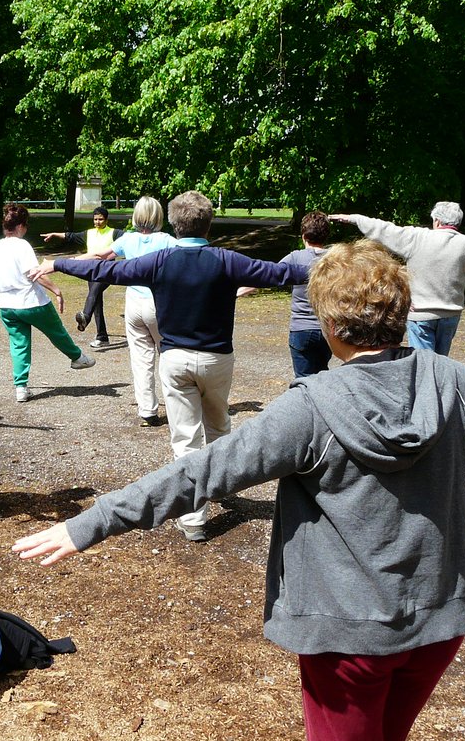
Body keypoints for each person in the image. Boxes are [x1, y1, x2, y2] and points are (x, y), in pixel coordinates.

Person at [13, 239, 465, 741]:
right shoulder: (454, 383)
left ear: (329, 326)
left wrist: (86, 524)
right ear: (404, 315)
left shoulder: (311, 407)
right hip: (438, 625)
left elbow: (200, 473)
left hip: (347, 637)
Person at [31, 190, 309, 542]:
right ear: (208, 223)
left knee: (187, 440)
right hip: (217, 359)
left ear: (175, 225)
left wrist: (58, 263)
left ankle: (194, 518)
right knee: (219, 424)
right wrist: (332, 267)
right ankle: (222, 485)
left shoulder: (160, 261)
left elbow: (106, 270)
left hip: (175, 360)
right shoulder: (226, 260)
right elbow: (281, 274)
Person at [329, 202, 465, 355]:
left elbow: (384, 229)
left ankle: (430, 401)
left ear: (437, 221)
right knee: (440, 363)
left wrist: (354, 218)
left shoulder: (417, 237)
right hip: (450, 314)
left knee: (425, 365)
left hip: (421, 314)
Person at [0, 203, 95, 403]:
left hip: (7, 306)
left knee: (19, 345)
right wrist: (56, 290)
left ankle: (21, 388)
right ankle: (77, 358)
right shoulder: (22, 245)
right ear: (21, 226)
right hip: (32, 302)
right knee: (56, 331)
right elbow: (34, 273)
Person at [81, 197, 178, 426]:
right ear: (158, 216)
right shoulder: (167, 241)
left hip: (134, 304)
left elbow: (99, 256)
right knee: (168, 356)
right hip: (159, 305)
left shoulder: (128, 239)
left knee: (141, 358)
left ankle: (147, 411)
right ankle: (176, 406)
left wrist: (65, 262)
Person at [237, 210, 333, 376]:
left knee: (304, 380)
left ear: (304, 236)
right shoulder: (335, 259)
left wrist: (238, 291)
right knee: (322, 375)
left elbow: (268, 275)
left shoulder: (295, 258)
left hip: (301, 329)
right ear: (326, 236)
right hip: (328, 330)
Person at [42, 206, 116, 347]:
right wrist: (54, 234)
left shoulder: (114, 233)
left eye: (100, 219)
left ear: (106, 220)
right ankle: (102, 337)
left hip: (107, 270)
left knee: (94, 292)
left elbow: (130, 239)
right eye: (95, 219)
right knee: (96, 302)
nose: (98, 222)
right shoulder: (89, 233)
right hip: (91, 270)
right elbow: (71, 236)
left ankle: (85, 317)